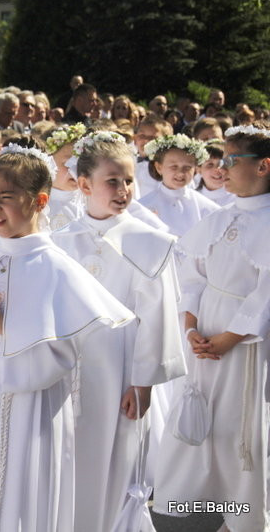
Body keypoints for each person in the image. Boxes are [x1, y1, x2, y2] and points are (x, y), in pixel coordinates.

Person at [0, 141, 134, 532]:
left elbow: (62, 353)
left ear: (38, 200)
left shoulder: (55, 267)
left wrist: (1, 323)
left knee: (26, 496)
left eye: (6, 197)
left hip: (32, 409)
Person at [51, 134, 185, 532]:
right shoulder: (61, 240)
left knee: (117, 462)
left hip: (120, 368)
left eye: (128, 180)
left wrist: (142, 382)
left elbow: (157, 317)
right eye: (112, 181)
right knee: (70, 460)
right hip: (70, 369)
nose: (123, 190)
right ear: (85, 184)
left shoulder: (150, 243)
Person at [154, 124, 270, 532]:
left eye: (232, 160)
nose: (221, 169)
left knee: (239, 426)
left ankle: (241, 514)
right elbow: (193, 274)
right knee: (198, 420)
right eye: (219, 160)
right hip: (204, 341)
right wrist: (190, 326)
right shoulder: (219, 218)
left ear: (263, 166)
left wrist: (230, 338)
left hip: (245, 346)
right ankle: (190, 507)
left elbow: (266, 292)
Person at [138, 134, 220, 237]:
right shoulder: (144, 206)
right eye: (174, 167)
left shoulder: (206, 208)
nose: (181, 173)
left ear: (195, 168)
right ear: (159, 167)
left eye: (187, 167)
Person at [45, 123, 87, 230]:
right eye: (67, 163)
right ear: (49, 162)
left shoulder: (90, 199)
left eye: (79, 162)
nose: (74, 169)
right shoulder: (40, 204)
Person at [132, 115, 173, 198]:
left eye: (153, 137)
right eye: (142, 135)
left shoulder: (166, 170)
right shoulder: (129, 162)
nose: (146, 140)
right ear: (135, 139)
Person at [196, 139, 234, 206]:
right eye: (210, 165)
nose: (217, 169)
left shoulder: (237, 198)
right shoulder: (193, 199)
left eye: (222, 164)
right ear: (199, 170)